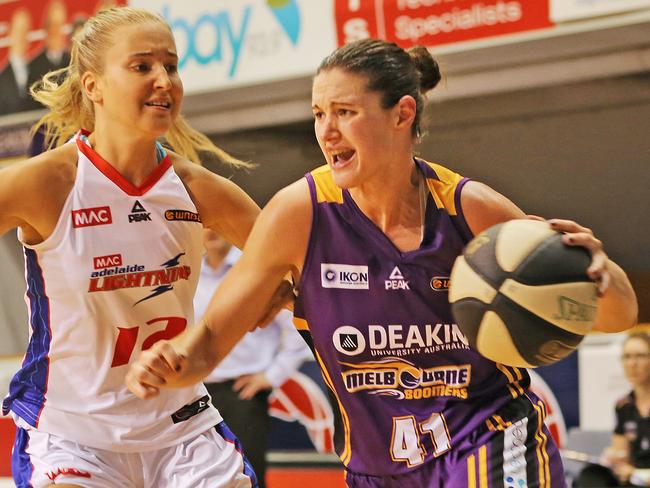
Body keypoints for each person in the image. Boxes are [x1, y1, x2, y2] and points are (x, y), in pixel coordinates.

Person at [127, 39, 639, 487]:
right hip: (377, 467)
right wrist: (169, 365)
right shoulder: (298, 213)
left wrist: (600, 270)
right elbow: (211, 339)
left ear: (402, 114)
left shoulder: (469, 207)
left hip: (489, 437)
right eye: (318, 113)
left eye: (345, 112)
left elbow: (612, 315)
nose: (326, 131)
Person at [0, 6, 268, 488]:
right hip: (70, 433)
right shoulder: (47, 183)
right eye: (142, 66)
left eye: (171, 66)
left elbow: (298, 269)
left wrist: (269, 297)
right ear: (93, 86)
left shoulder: (200, 189)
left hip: (183, 428)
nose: (164, 79)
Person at [195, 229, 312, 488]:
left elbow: (294, 326)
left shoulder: (255, 269)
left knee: (249, 474)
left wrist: (271, 376)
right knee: (201, 478)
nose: (211, 230)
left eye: (217, 222)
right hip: (197, 395)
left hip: (243, 394)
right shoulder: (188, 273)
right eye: (205, 222)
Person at [594, 332, 650, 487]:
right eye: (627, 357)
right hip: (633, 482)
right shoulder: (623, 406)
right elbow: (621, 455)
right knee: (591, 476)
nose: (632, 363)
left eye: (640, 356)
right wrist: (613, 458)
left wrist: (633, 473)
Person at [27, 0, 72, 94]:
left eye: (60, 25)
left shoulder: (72, 61)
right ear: (46, 28)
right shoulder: (34, 66)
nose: (56, 31)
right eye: (53, 25)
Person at [0, 8, 37, 114]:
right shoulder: (2, 80)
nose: (22, 36)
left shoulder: (38, 71)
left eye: (25, 31)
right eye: (18, 30)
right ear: (10, 33)